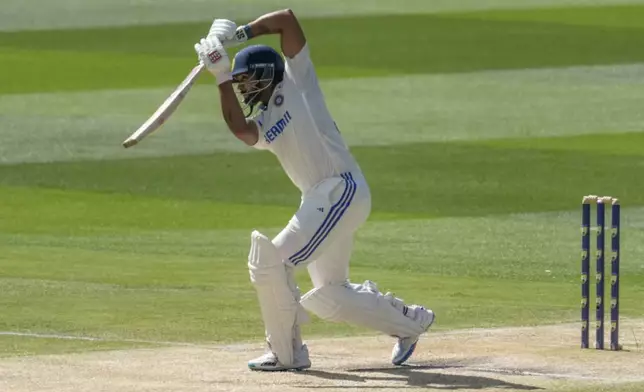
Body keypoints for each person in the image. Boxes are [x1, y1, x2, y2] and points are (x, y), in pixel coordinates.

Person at [194, 9, 435, 371]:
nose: (242, 89)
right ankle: (411, 323)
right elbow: (239, 128)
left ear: (264, 74)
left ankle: (287, 354)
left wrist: (240, 35)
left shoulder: (297, 80)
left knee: (271, 263)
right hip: (324, 199)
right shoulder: (264, 122)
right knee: (330, 294)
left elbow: (287, 20)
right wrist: (221, 75)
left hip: (341, 189)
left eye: (245, 81)